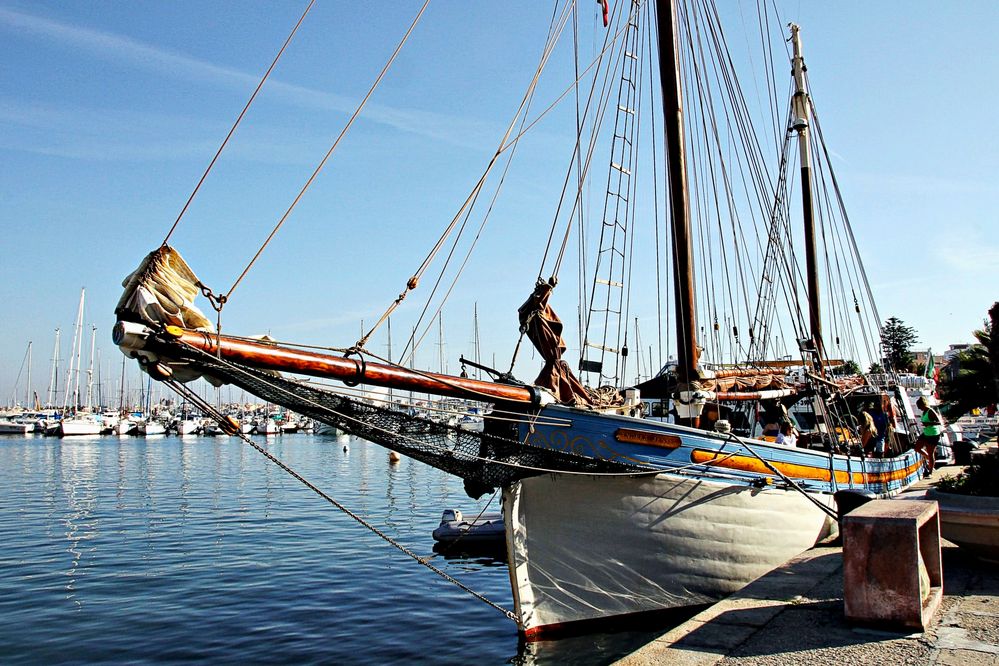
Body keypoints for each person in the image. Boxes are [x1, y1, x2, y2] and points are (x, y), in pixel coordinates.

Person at [915, 396, 944, 476]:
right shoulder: (924, 412)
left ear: (923, 405)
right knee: (917, 447)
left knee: (931, 453)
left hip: (933, 434)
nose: (919, 408)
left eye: (919, 406)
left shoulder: (930, 411)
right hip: (926, 432)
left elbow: (939, 422)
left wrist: (928, 424)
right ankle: (928, 458)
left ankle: (930, 471)